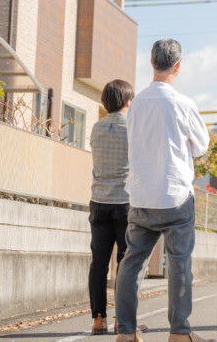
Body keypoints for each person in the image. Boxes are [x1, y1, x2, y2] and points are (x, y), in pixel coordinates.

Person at [115, 39, 214, 342]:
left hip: (141, 196)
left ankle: (126, 333)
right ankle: (179, 334)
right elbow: (201, 147)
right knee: (180, 264)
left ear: (151, 62)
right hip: (174, 197)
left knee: (131, 264)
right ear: (178, 66)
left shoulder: (136, 104)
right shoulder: (183, 104)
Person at [88, 80, 133, 335]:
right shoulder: (132, 127)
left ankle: (98, 318)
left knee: (99, 263)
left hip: (98, 202)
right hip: (125, 203)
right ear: (128, 102)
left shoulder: (96, 127)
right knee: (126, 264)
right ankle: (122, 321)